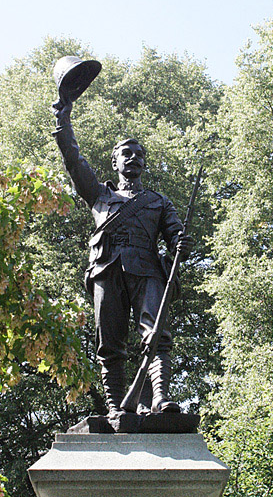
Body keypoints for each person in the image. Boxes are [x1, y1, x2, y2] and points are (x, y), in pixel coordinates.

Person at [52, 99, 193, 416]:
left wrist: (181, 244)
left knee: (156, 334)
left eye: (139, 155)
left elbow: (176, 237)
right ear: (114, 162)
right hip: (106, 270)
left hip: (148, 271)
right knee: (110, 342)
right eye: (126, 154)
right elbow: (73, 160)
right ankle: (116, 406)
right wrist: (63, 120)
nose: (134, 158)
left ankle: (159, 397)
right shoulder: (100, 195)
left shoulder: (159, 202)